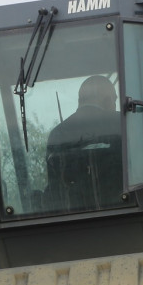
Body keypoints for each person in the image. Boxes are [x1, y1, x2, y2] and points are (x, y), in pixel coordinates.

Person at [45, 76, 124, 211]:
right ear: (108, 100)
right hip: (124, 213)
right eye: (115, 100)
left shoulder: (56, 134)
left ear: (80, 101)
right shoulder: (122, 124)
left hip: (70, 220)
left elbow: (55, 187)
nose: (115, 105)